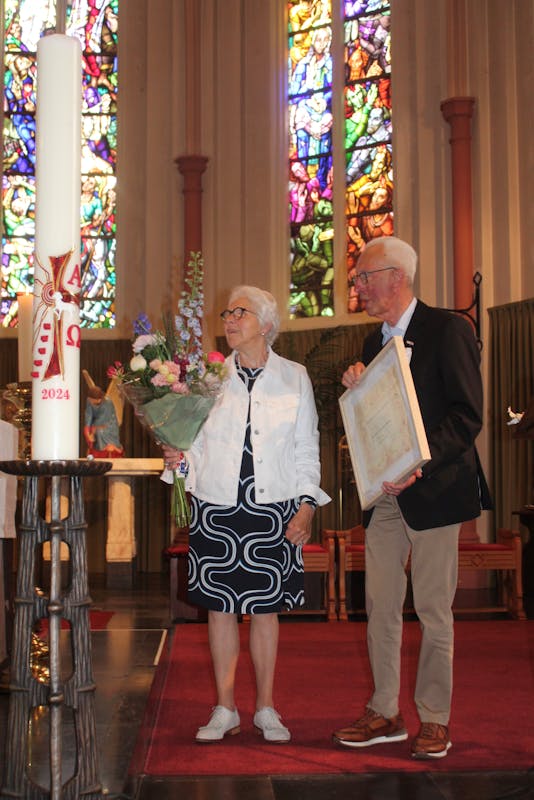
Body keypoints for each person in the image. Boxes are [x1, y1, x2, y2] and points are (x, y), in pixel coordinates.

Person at [333, 236, 491, 759]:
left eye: (364, 276)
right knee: (379, 604)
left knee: (432, 609)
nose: (358, 286)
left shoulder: (448, 329)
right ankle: (385, 711)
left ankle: (435, 718)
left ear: (395, 277)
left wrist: (419, 465)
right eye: (357, 279)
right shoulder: (370, 343)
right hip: (386, 496)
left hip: (437, 491)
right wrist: (357, 387)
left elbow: (467, 416)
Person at [162, 285, 330, 744]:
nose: (230, 319)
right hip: (216, 505)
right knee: (220, 609)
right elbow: (194, 444)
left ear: (267, 324)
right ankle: (225, 707)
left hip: (273, 507)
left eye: (242, 312)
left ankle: (266, 708)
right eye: (227, 312)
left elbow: (306, 446)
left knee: (265, 610)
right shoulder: (208, 377)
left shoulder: (295, 377)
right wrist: (178, 460)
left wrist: (307, 504)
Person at [83, 385, 124, 458]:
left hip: (109, 425)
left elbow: (103, 419)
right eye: (93, 400)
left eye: (98, 399)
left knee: (100, 432)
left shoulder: (108, 402)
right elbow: (88, 415)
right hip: (96, 425)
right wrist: (87, 428)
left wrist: (93, 430)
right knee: (92, 435)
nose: (95, 401)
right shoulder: (89, 400)